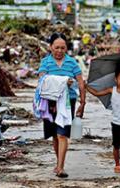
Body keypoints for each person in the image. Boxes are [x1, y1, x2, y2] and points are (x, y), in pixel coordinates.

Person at [37, 32, 86, 178]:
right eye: (56, 47)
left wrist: (82, 103)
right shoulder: (45, 62)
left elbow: (81, 83)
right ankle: (59, 162)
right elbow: (42, 80)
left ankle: (60, 167)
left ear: (66, 49)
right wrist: (63, 81)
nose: (59, 51)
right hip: (50, 102)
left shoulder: (72, 62)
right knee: (54, 135)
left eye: (63, 48)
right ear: (50, 47)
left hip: (67, 102)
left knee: (62, 134)